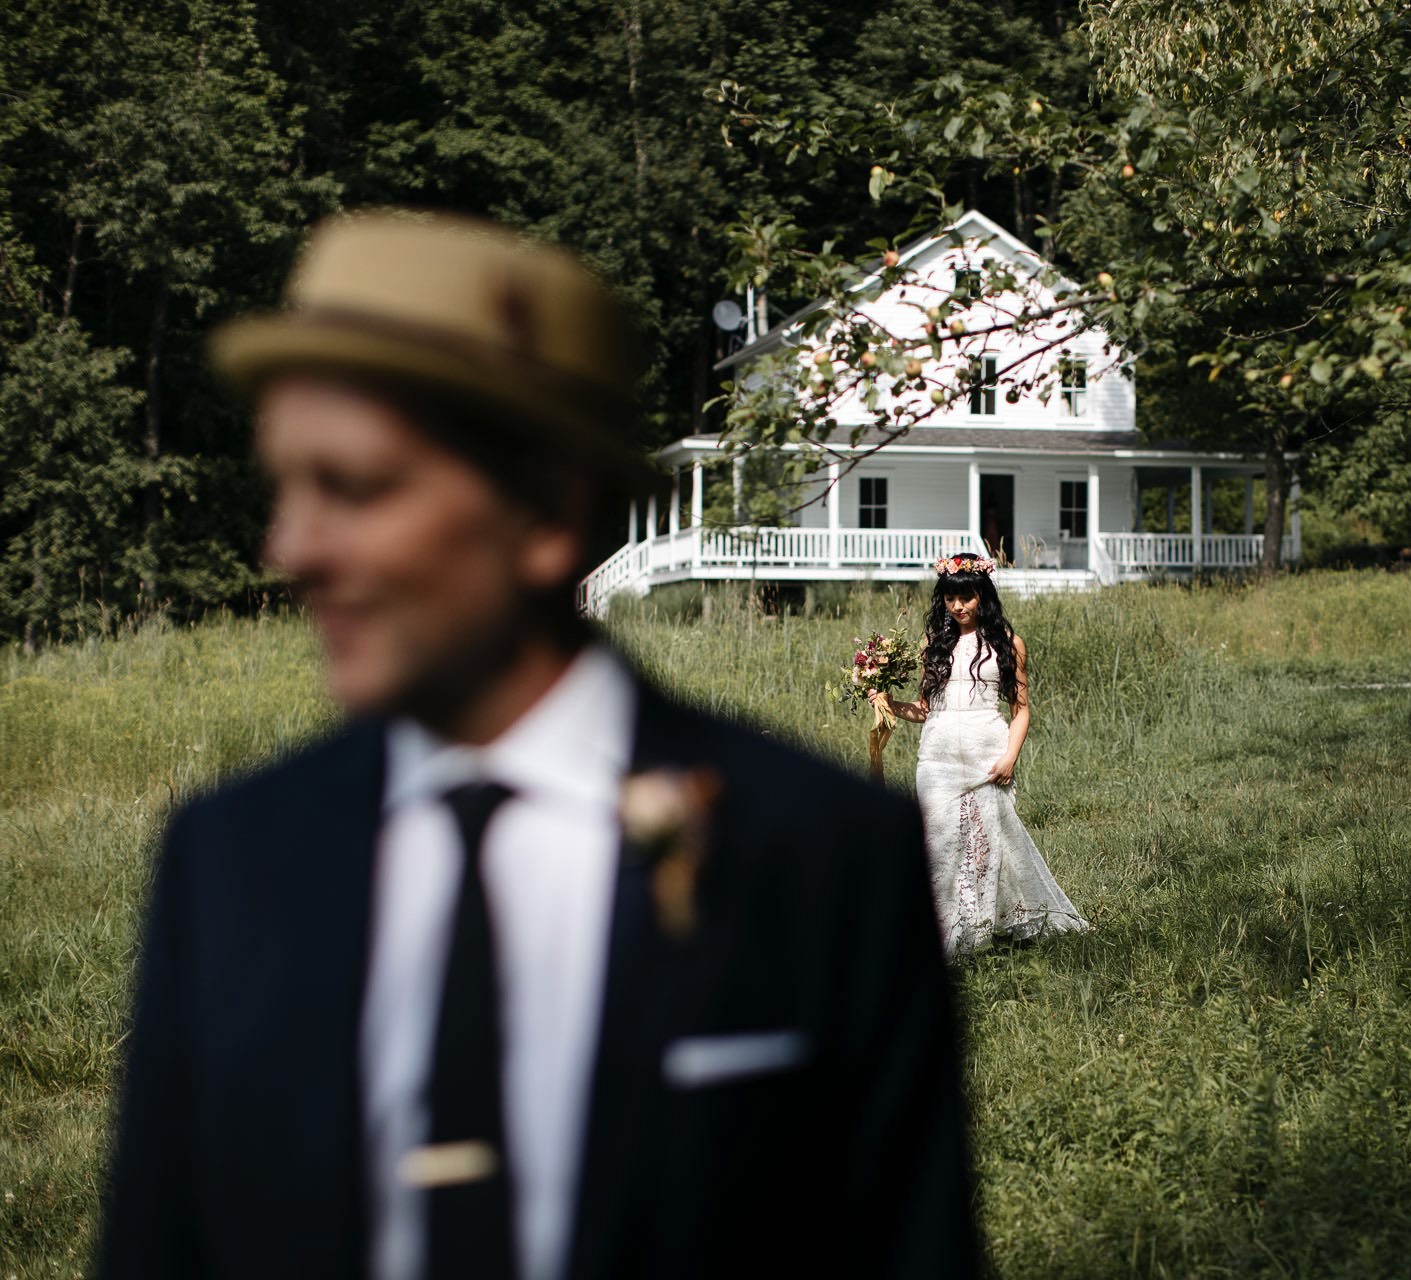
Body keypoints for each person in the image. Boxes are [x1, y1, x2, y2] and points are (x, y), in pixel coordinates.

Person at [97, 210, 975, 1280]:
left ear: (548, 511)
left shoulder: (825, 852)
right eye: (286, 485)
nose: (292, 548)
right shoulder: (228, 855)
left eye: (357, 487)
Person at [870, 554, 1088, 956]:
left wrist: (1010, 757)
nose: (958, 607)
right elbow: (925, 709)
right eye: (951, 599)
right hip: (937, 756)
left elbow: (1021, 710)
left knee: (984, 842)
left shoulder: (1007, 642)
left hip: (986, 752)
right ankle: (937, 932)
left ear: (982, 596)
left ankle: (977, 930)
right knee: (937, 840)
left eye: (967, 598)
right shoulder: (933, 644)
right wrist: (888, 703)